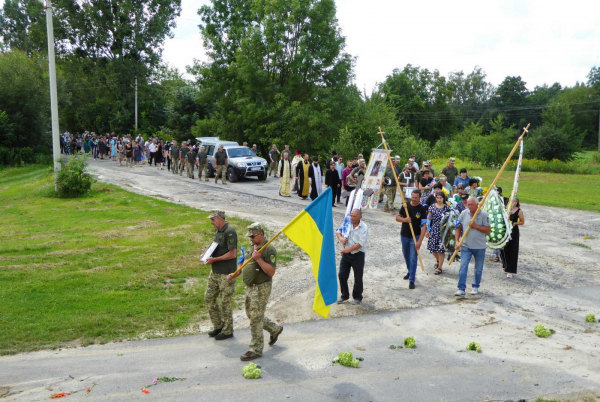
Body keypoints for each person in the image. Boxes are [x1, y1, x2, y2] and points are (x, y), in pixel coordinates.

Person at [227, 223, 283, 361]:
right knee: (251, 314)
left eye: (253, 236)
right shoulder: (251, 246)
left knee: (256, 318)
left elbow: (271, 272)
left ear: (261, 234)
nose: (250, 239)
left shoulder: (269, 249)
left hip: (261, 287)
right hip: (250, 286)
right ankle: (274, 329)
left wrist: (258, 259)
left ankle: (256, 349)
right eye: (249, 236)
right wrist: (236, 273)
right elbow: (243, 261)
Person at [203, 211, 238, 341]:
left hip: (225, 273)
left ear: (220, 219)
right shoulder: (218, 231)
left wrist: (214, 259)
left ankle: (228, 330)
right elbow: (215, 246)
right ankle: (218, 325)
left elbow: (232, 254)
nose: (211, 222)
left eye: (213, 220)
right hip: (215, 271)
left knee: (225, 302)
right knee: (209, 297)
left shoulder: (230, 232)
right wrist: (206, 254)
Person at [454, 197, 491, 296]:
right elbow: (458, 228)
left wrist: (476, 226)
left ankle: (475, 286)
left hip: (480, 247)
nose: (469, 207)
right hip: (466, 246)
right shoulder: (464, 213)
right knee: (463, 267)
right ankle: (461, 288)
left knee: (478, 269)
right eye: (468, 204)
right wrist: (457, 241)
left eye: (471, 205)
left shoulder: (484, 215)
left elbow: (488, 230)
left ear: (477, 204)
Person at [396, 190, 427, 289]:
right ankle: (410, 271)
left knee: (413, 258)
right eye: (412, 197)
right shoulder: (405, 206)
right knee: (406, 256)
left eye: (416, 198)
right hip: (404, 235)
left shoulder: (422, 209)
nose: (413, 199)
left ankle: (412, 280)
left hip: (415, 237)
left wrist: (419, 241)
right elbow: (397, 217)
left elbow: (424, 226)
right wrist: (404, 220)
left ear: (420, 197)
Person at [336, 209, 368, 304]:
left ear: (360, 217)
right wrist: (341, 238)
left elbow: (360, 244)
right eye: (351, 215)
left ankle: (358, 297)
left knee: (358, 277)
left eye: (354, 216)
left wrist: (347, 250)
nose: (352, 218)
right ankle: (344, 295)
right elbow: (338, 231)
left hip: (358, 255)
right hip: (346, 254)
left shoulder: (364, 227)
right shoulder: (347, 223)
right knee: (342, 275)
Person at [427, 192, 452, 275]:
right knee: (433, 249)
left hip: (443, 231)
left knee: (441, 250)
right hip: (434, 230)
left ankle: (440, 267)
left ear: (443, 198)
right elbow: (429, 219)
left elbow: (450, 219)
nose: (439, 199)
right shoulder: (432, 207)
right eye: (438, 198)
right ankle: (438, 260)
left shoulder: (447, 208)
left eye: (441, 198)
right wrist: (427, 229)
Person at [501, 197, 524, 278]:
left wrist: (515, 223)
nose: (514, 203)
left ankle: (510, 270)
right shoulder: (507, 209)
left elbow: (522, 222)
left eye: (515, 201)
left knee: (512, 250)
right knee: (504, 248)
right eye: (513, 201)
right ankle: (505, 265)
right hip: (507, 230)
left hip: (514, 230)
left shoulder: (519, 211)